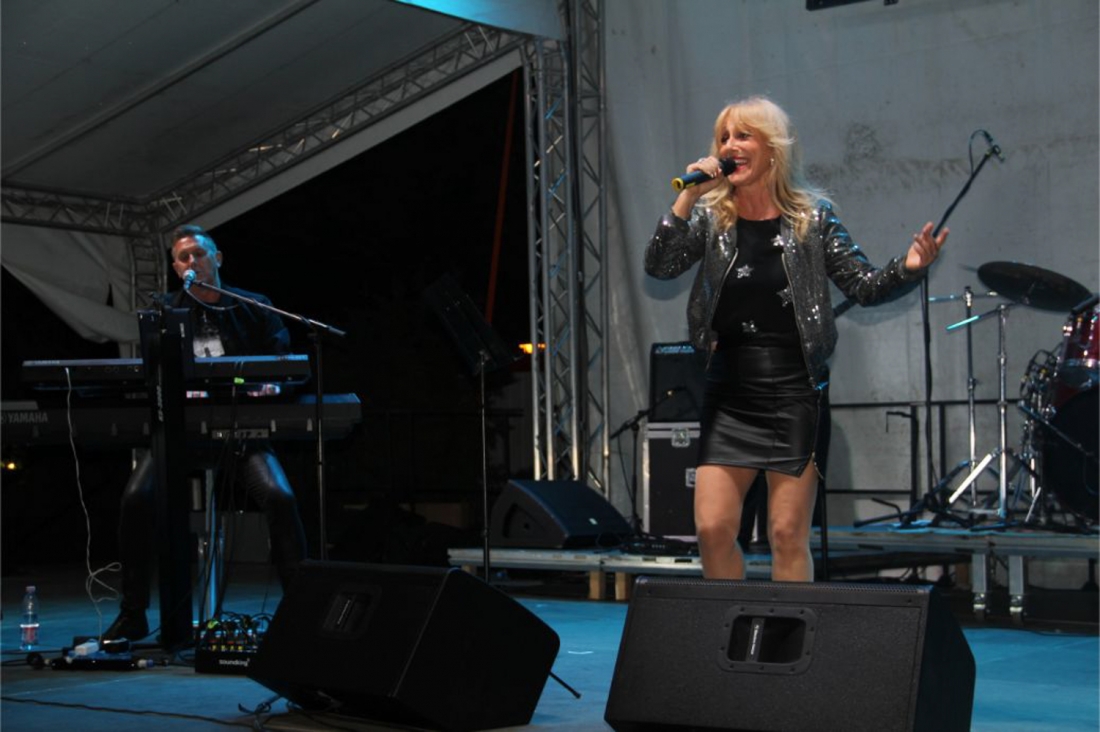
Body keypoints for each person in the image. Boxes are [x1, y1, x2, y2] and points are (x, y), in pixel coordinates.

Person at [644, 96, 947, 582]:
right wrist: (689, 196)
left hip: (794, 390)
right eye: (724, 137)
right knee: (713, 528)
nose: (730, 146)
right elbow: (660, 265)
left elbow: (864, 285)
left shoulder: (812, 219)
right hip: (729, 390)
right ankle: (732, 623)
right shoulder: (713, 219)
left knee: (786, 534)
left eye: (743, 135)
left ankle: (786, 628)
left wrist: (908, 268)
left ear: (773, 149)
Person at [102, 224, 309, 642]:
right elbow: (153, 374)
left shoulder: (252, 306)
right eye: (183, 258)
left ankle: (299, 612)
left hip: (242, 432)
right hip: (180, 433)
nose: (192, 261)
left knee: (280, 497)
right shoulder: (165, 310)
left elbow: (283, 365)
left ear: (217, 258)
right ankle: (133, 613)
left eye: (199, 253)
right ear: (176, 269)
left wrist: (264, 388)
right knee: (136, 499)